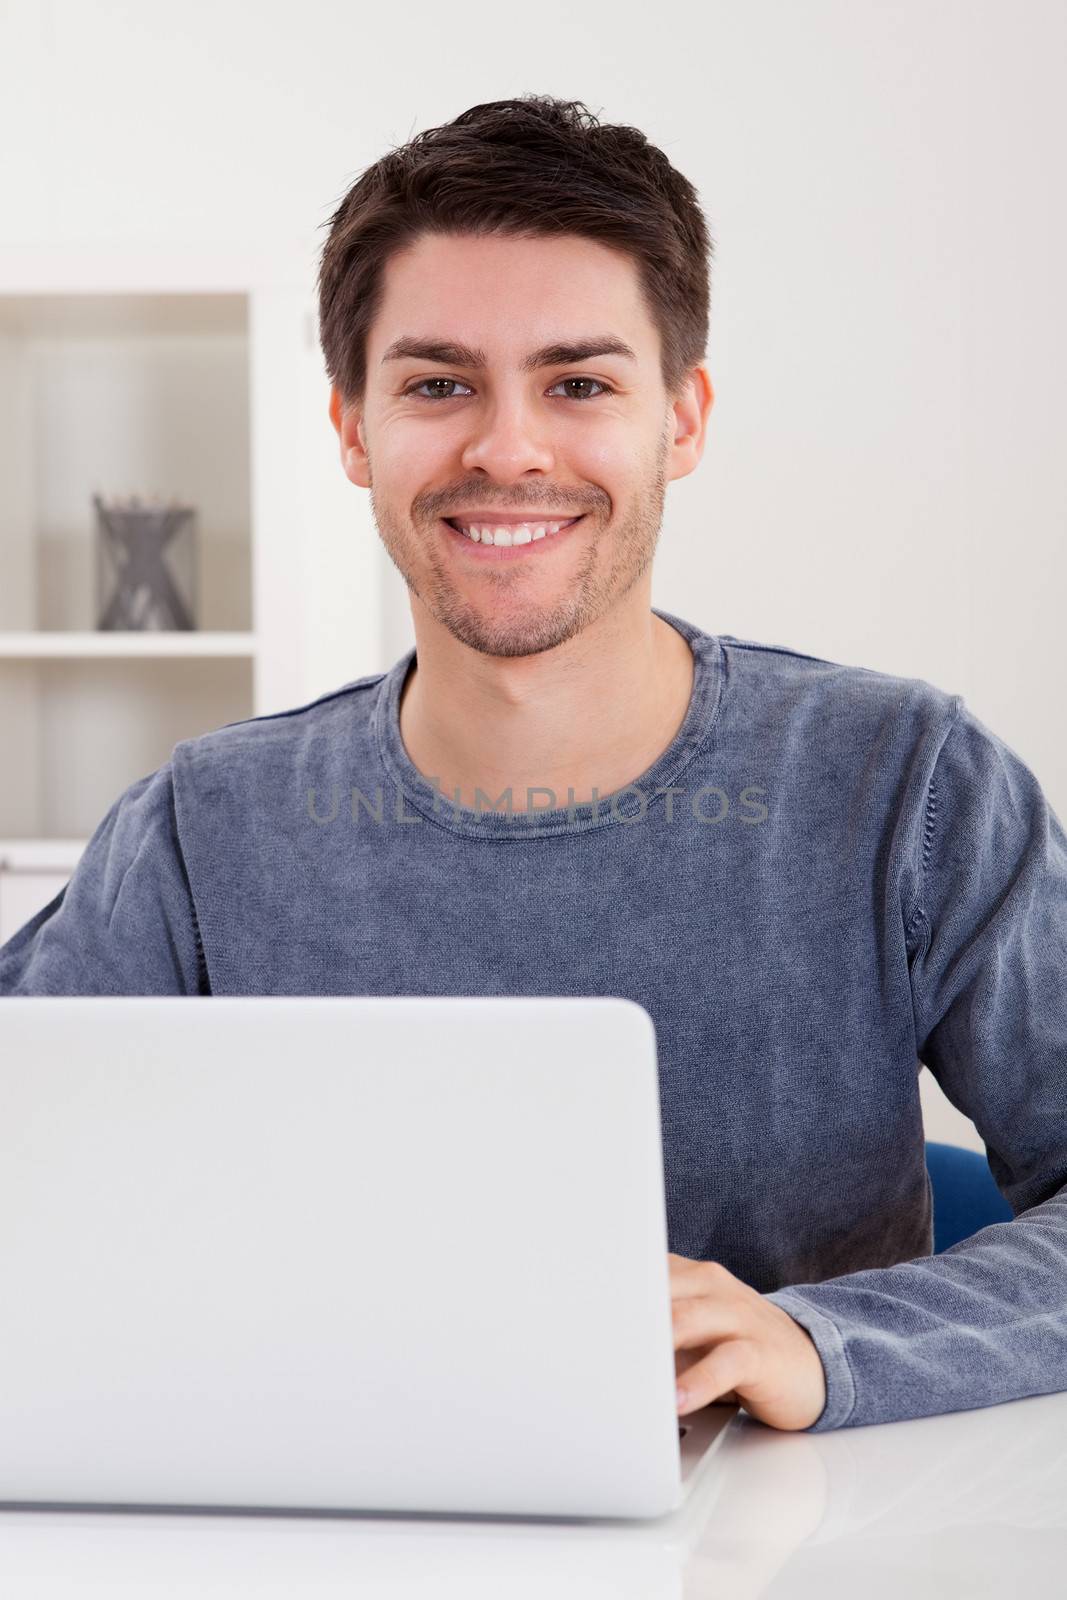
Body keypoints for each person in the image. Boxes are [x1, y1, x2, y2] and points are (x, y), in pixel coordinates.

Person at [2, 95, 1065, 1436]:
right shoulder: (202, 830)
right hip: (328, 1522)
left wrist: (824, 1339)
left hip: (801, 1542)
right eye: (438, 383)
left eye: (580, 382)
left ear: (682, 420)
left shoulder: (908, 786)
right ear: (352, 428)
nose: (507, 448)